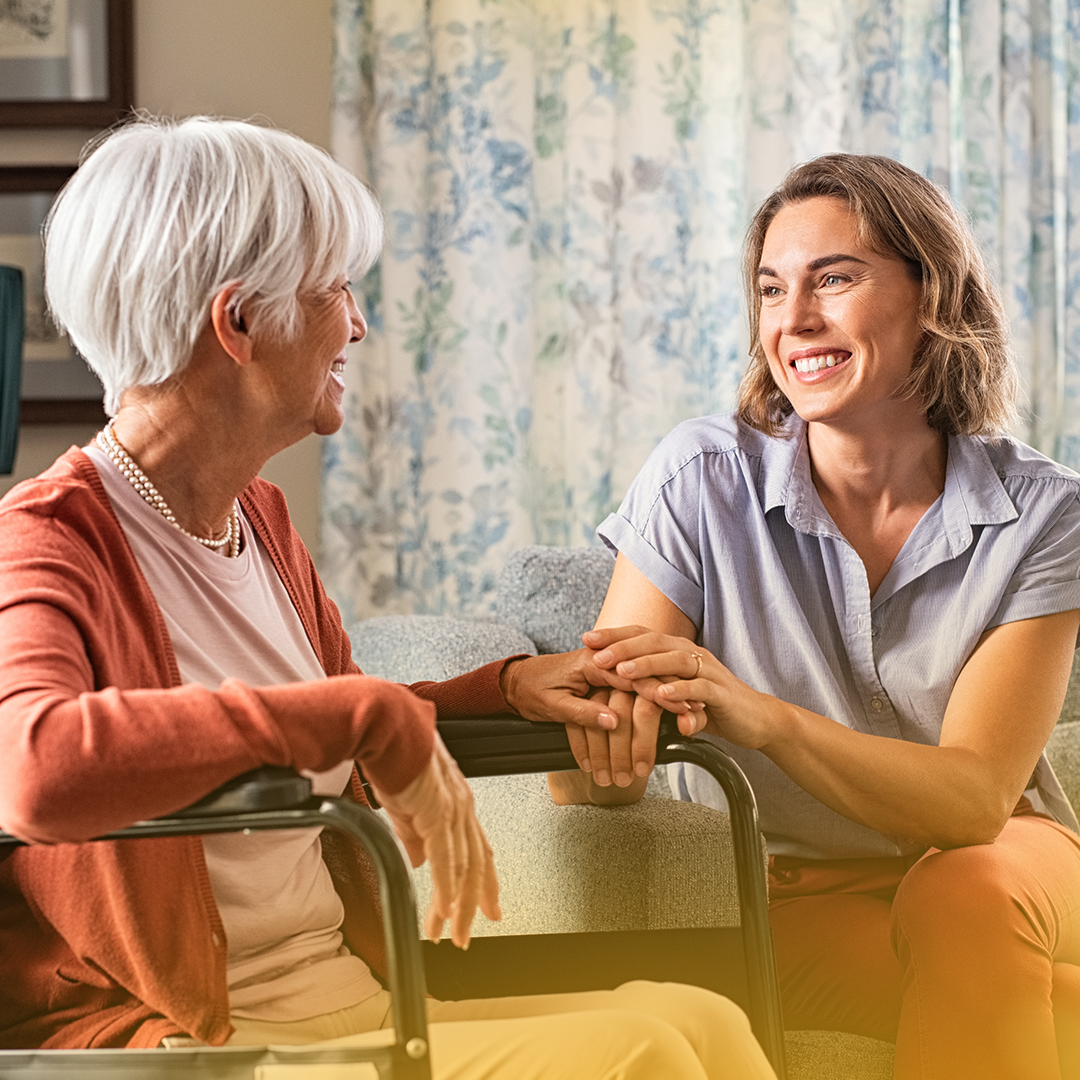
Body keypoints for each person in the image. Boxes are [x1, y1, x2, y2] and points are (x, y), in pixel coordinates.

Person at [0, 116, 777, 1080]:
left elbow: (327, 730)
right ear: (237, 322)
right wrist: (359, 709)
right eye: (337, 291)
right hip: (193, 1036)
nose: (359, 325)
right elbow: (33, 771)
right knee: (641, 1054)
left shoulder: (261, 523)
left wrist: (505, 687)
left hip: (342, 997)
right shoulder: (47, 539)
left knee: (696, 1016)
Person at [550, 154, 1080, 1079]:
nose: (793, 322)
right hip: (804, 895)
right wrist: (606, 744)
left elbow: (972, 802)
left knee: (966, 891)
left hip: (1005, 863)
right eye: (770, 289)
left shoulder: (1044, 512)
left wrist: (765, 719)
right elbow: (593, 774)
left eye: (833, 279)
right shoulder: (698, 480)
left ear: (933, 296)